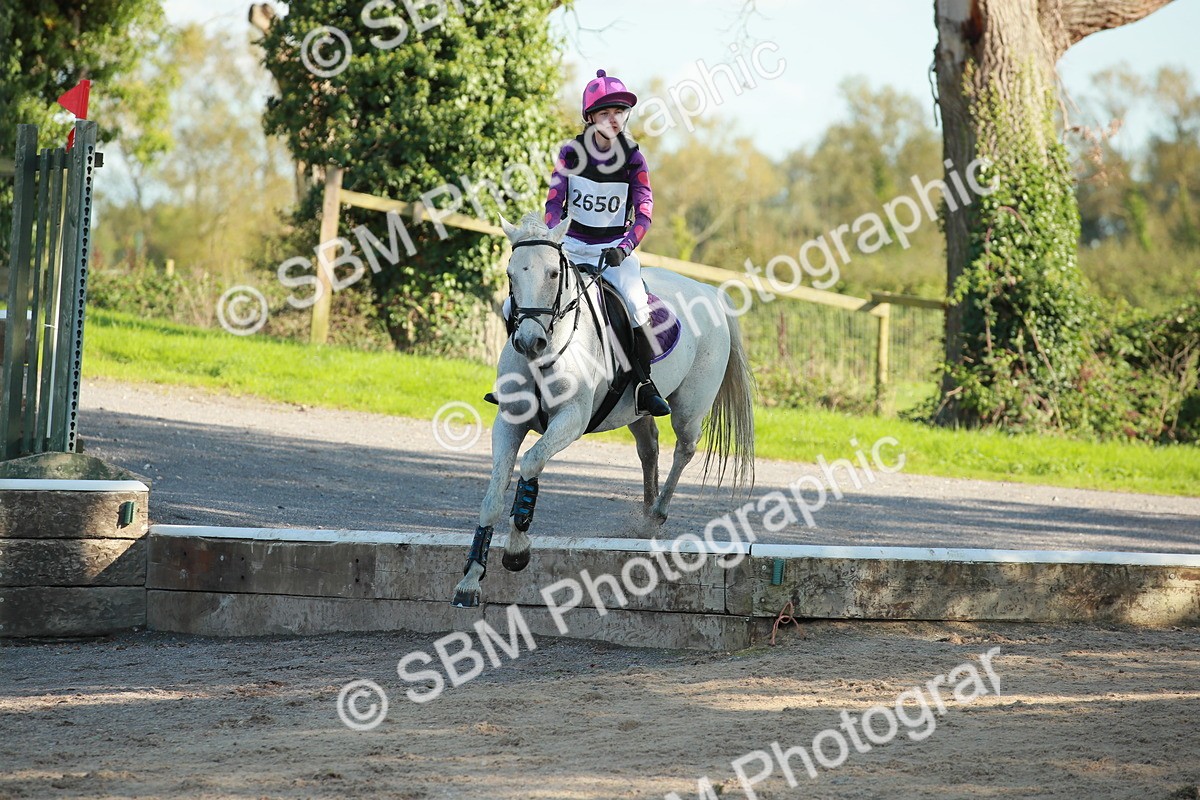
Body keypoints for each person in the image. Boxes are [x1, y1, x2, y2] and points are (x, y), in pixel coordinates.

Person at [541, 68, 670, 417]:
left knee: (635, 302)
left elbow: (644, 212)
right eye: (605, 113)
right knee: (519, 304)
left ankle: (643, 383)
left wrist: (625, 248)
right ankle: (518, 380)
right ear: (590, 117)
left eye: (620, 112)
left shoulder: (633, 158)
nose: (614, 120)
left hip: (614, 252)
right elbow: (554, 202)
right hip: (569, 246)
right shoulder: (570, 154)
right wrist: (555, 237)